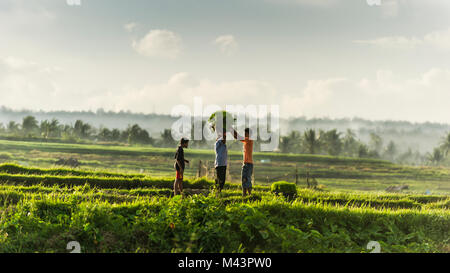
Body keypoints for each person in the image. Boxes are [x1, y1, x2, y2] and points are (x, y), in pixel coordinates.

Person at [232, 128, 254, 196]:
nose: (244, 135)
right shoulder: (246, 141)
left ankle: (249, 195)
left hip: (248, 164)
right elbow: (236, 137)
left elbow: (237, 137)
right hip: (246, 163)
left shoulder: (249, 140)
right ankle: (244, 195)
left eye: (245, 134)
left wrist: (230, 129)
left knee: (247, 179)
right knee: (244, 179)